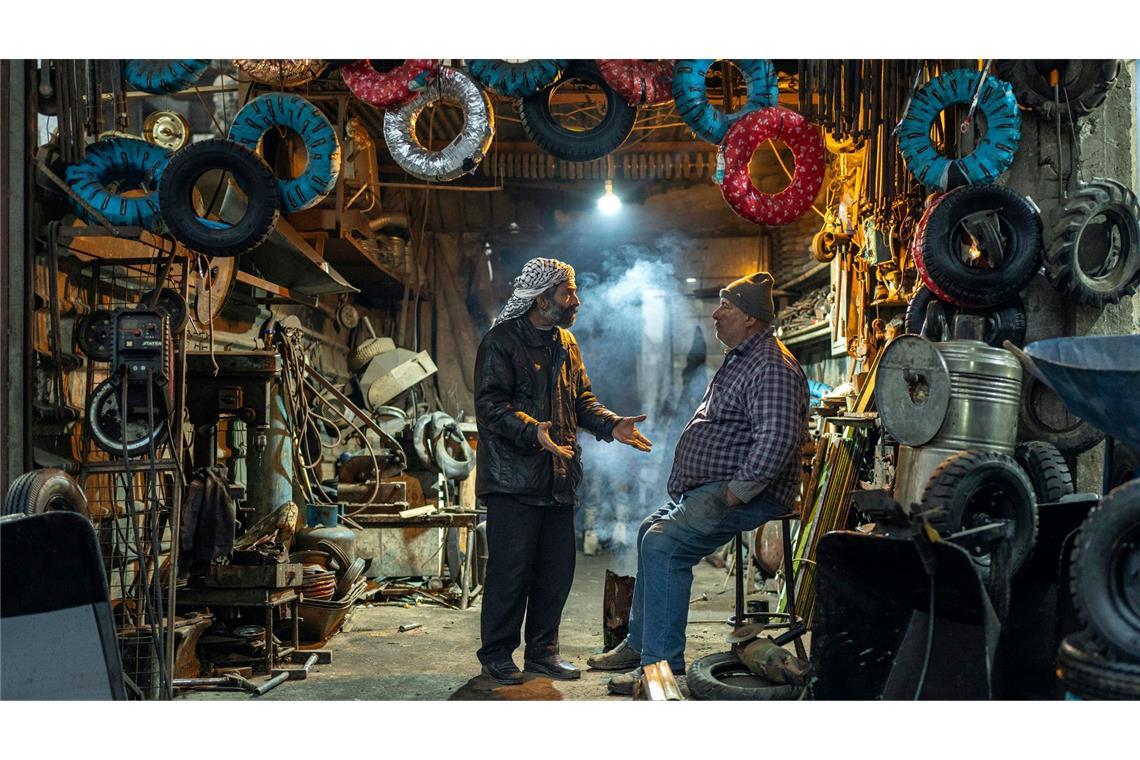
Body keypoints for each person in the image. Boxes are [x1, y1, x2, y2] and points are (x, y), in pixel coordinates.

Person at [586, 271, 810, 695]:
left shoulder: (771, 365)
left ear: (750, 318)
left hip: (749, 493)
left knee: (664, 545)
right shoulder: (744, 358)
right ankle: (639, 645)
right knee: (648, 530)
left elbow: (777, 439)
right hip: (719, 487)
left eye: (727, 306)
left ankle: (661, 668)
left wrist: (733, 493)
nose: (716, 312)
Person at [474, 257, 654, 685]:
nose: (575, 300)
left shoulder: (566, 343)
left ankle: (543, 652)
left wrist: (611, 424)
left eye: (573, 291)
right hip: (512, 482)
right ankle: (497, 655)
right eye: (566, 292)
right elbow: (490, 407)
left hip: (558, 479)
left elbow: (581, 401)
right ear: (541, 299)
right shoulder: (500, 342)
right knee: (510, 574)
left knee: (555, 574)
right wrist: (532, 431)